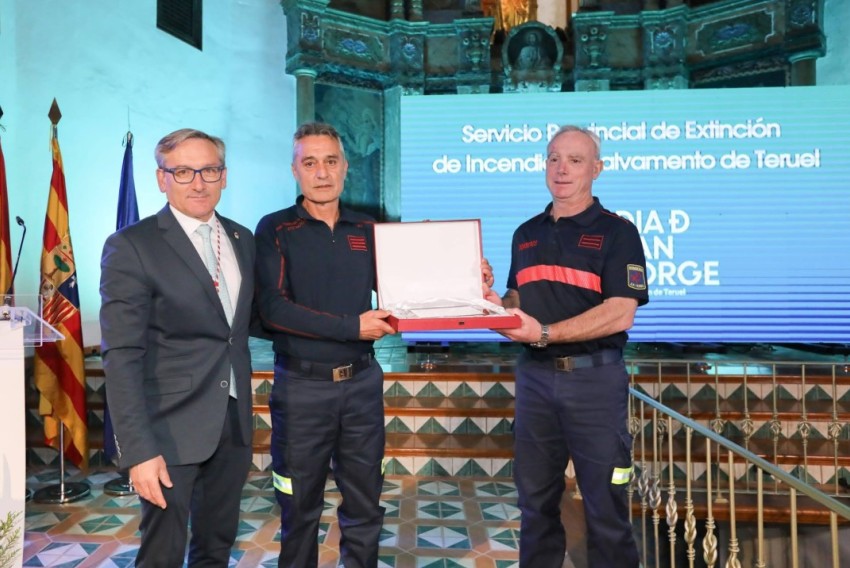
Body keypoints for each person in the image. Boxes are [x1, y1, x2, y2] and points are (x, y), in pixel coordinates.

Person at [487, 125, 648, 568]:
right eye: (554, 158)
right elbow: (517, 303)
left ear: (596, 169)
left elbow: (621, 311)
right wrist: (487, 302)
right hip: (536, 379)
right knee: (535, 505)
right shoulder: (526, 233)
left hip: (595, 381)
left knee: (605, 509)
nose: (562, 169)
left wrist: (545, 334)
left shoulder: (619, 233)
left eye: (575, 160)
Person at [100, 128, 256, 566]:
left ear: (224, 176)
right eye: (183, 171)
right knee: (163, 553)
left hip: (232, 421)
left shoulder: (242, 238)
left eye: (209, 170)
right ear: (161, 178)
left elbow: (244, 324)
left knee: (216, 545)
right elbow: (122, 356)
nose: (198, 182)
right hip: (167, 430)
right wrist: (139, 450)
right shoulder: (132, 246)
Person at [254, 122, 396, 568]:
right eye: (310, 162)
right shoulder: (276, 229)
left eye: (330, 161)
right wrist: (351, 326)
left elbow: (406, 289)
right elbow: (275, 310)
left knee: (365, 504)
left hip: (361, 386)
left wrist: (467, 278)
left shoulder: (369, 226)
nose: (322, 172)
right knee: (299, 507)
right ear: (295, 170)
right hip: (301, 388)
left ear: (345, 167)